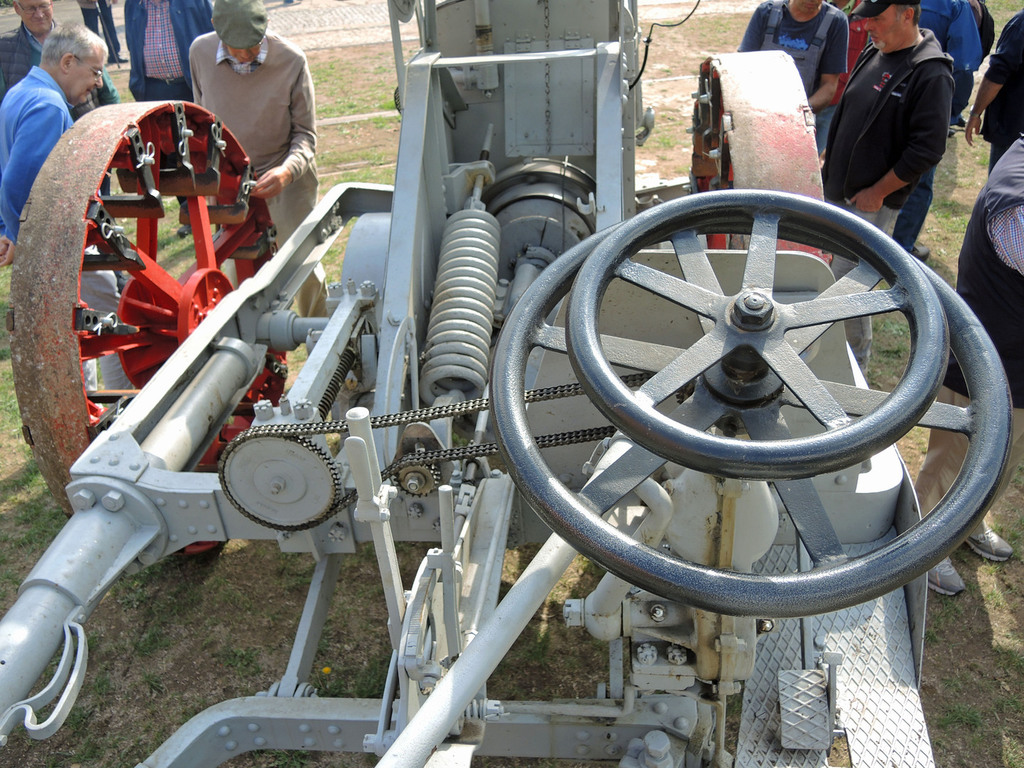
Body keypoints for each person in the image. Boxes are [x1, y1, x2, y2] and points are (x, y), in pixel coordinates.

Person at [917, 137, 1024, 595]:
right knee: (953, 461)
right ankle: (924, 546)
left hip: (1014, 364)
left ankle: (969, 522)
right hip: (990, 363)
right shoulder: (1016, 201)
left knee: (1003, 459)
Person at [821, 0, 953, 370]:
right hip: (837, 193)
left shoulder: (931, 73)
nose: (867, 27)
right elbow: (851, 107)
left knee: (846, 290)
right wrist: (830, 153)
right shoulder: (874, 51)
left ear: (907, 14)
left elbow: (927, 149)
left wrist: (878, 192)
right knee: (829, 279)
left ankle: (854, 368)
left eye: (877, 18)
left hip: (868, 205)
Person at [0, 24, 129, 390]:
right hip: (62, 242)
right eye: (95, 71)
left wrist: (8, 230)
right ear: (68, 62)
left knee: (67, 327)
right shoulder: (48, 106)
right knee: (106, 321)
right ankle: (122, 401)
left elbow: (4, 168)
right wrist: (22, 238)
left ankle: (86, 404)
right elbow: (16, 183)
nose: (98, 82)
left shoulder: (19, 92)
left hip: (47, 244)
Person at [189, 0, 327, 317]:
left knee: (304, 267)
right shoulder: (199, 52)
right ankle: (255, 344)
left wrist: (287, 172)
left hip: (286, 180)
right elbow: (203, 121)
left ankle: (319, 332)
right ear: (215, 27)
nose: (246, 55)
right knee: (239, 276)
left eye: (253, 44)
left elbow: (306, 135)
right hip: (232, 184)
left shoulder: (291, 60)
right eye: (236, 47)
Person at [890, 0, 981, 260]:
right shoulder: (955, 6)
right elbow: (964, 66)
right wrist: (950, 112)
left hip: (885, 94)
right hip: (929, 104)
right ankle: (901, 249)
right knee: (918, 180)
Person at [739, 0, 850, 153]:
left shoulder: (835, 22)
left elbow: (829, 85)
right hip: (757, 118)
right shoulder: (766, 13)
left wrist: (799, 113)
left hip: (799, 126)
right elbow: (743, 68)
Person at [0, 0, 119, 119]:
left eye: (43, 6)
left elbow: (109, 95)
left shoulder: (79, 38)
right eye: (31, 9)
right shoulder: (4, 49)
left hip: (85, 125)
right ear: (17, 8)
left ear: (51, 4)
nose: (39, 14)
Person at [965, 9, 1024, 173]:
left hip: (1013, 131)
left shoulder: (1020, 25)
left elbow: (998, 74)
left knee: (1002, 184)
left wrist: (976, 113)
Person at [123, 0, 213, 102]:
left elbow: (213, 39)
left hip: (190, 87)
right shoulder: (133, 3)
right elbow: (132, 45)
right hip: (151, 90)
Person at [76, 0, 126, 64]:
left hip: (104, 2)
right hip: (88, 4)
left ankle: (114, 54)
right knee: (92, 31)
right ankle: (94, 57)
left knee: (109, 27)